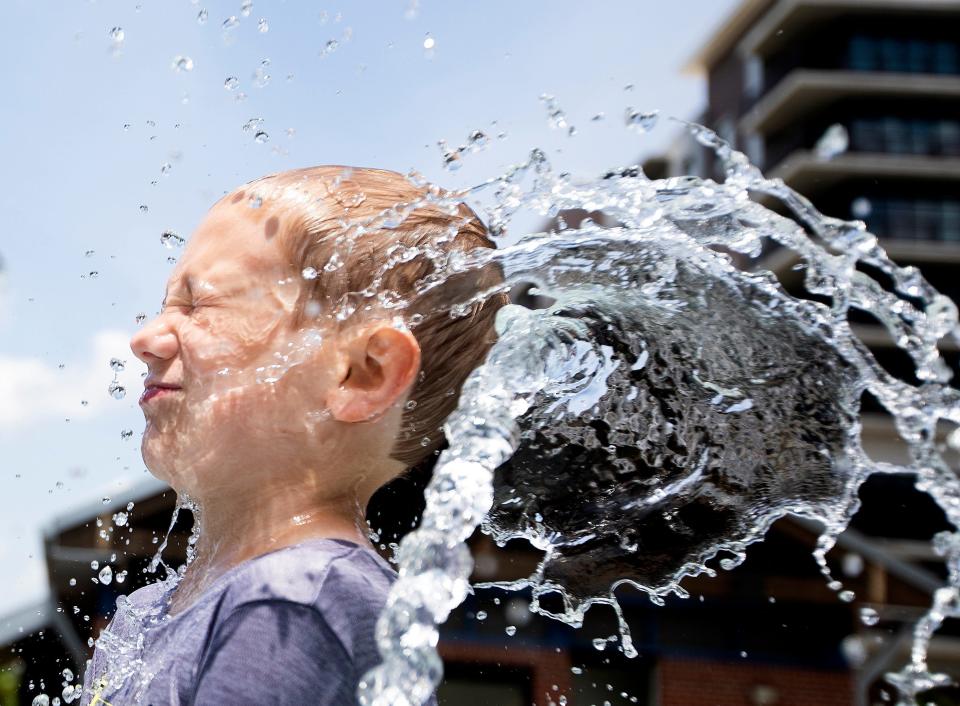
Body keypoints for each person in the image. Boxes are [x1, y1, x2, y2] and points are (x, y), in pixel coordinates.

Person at [80, 166, 506, 705]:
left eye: (198, 305)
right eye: (165, 305)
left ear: (361, 373)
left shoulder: (292, 603)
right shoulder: (149, 611)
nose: (146, 338)